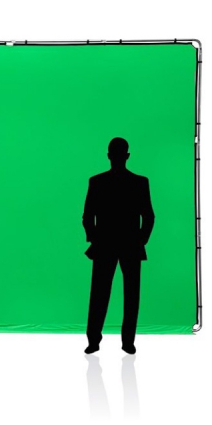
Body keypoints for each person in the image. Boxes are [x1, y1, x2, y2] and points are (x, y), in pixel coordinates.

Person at [82, 137, 155, 354]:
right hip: (129, 245)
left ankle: (94, 341)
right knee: (130, 296)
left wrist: (95, 239)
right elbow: (148, 216)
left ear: (109, 156)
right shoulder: (139, 182)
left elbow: (87, 216)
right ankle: (127, 342)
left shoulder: (97, 181)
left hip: (106, 245)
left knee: (99, 295)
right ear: (127, 156)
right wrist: (140, 240)